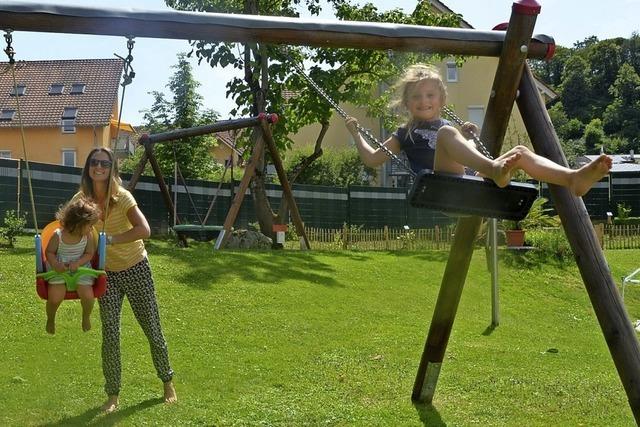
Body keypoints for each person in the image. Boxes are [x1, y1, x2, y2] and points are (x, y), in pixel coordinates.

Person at [345, 63, 612, 197]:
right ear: (406, 103)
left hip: (473, 182)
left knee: (519, 150)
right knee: (446, 135)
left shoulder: (450, 127)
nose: (423, 101)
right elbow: (372, 159)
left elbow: (468, 155)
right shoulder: (404, 134)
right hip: (441, 188)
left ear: (441, 100)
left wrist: (470, 138)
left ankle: (572, 179)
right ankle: (495, 171)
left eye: (429, 95)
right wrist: (357, 134)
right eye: (416, 97)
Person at [76, 147, 177, 412]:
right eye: (94, 162)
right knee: (110, 334)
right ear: (88, 167)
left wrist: (110, 240)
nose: (99, 167)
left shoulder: (122, 197)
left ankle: (167, 381)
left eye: (105, 163)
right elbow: (69, 229)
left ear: (112, 170)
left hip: (135, 268)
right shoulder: (81, 200)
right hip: (106, 274)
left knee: (152, 328)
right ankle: (113, 395)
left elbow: (145, 230)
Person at [44, 197, 100, 335]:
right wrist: (56, 264)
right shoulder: (58, 236)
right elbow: (49, 252)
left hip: (81, 266)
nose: (92, 228)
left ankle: (86, 316)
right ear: (78, 223)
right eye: (90, 225)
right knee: (55, 297)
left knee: (88, 296)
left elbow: (89, 253)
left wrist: (78, 263)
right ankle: (50, 318)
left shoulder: (87, 236)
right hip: (59, 267)